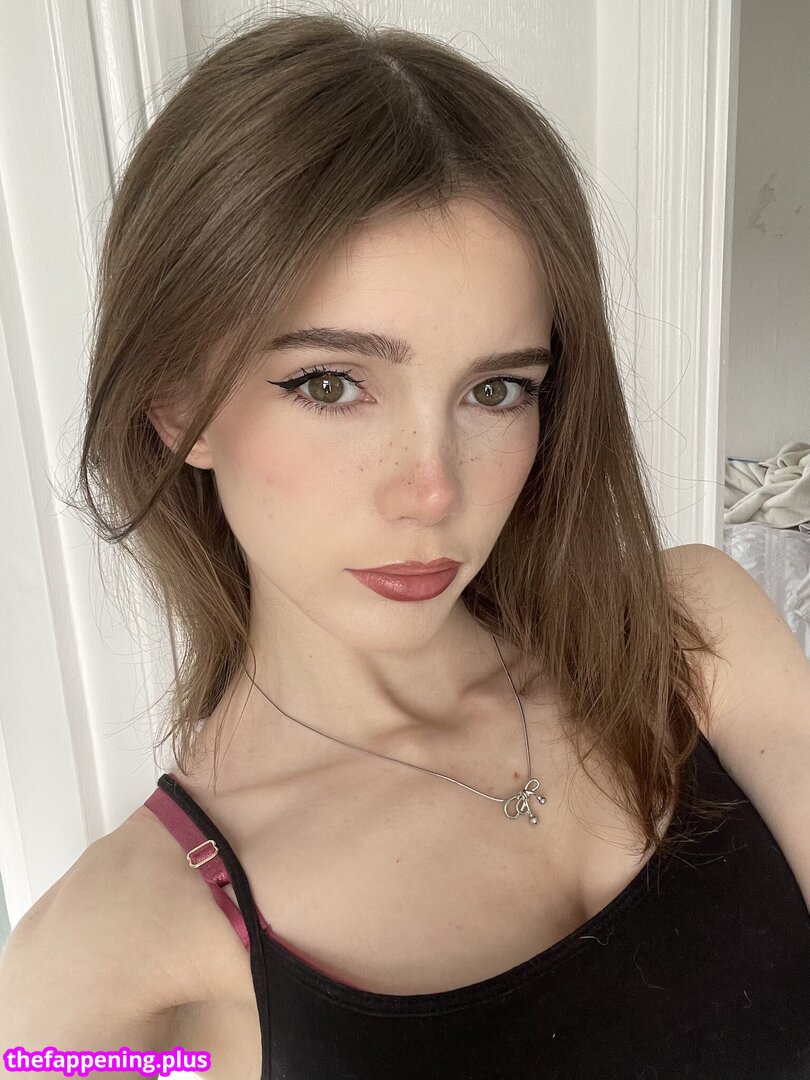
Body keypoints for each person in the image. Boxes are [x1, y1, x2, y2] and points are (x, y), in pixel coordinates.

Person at [2, 11, 809, 1080]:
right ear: (177, 405)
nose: (433, 491)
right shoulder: (105, 972)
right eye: (330, 384)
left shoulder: (694, 638)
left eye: (496, 390)